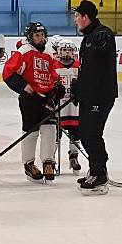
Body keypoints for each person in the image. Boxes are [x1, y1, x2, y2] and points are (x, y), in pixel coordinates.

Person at [2, 21, 63, 183]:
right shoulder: (24, 51)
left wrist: (57, 89)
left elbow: (53, 75)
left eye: (43, 35)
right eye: (37, 35)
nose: (41, 38)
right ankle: (29, 164)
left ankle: (48, 162)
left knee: (50, 129)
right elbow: (7, 73)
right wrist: (23, 85)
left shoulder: (49, 53)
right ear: (30, 37)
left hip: (47, 97)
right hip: (30, 98)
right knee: (30, 131)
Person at [70, 0, 117, 195]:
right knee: (85, 132)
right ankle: (96, 169)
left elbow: (98, 69)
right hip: (89, 95)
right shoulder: (89, 36)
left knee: (91, 134)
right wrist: (78, 88)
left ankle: (99, 174)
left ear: (86, 17)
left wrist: (86, 89)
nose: (75, 20)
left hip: (99, 95)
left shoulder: (102, 34)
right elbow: (87, 70)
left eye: (77, 16)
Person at [53, 39, 83, 174]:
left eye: (69, 50)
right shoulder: (53, 65)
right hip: (58, 107)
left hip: (74, 107)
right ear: (58, 52)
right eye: (64, 50)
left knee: (75, 133)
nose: (66, 52)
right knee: (55, 135)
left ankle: (74, 156)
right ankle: (51, 159)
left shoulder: (78, 66)